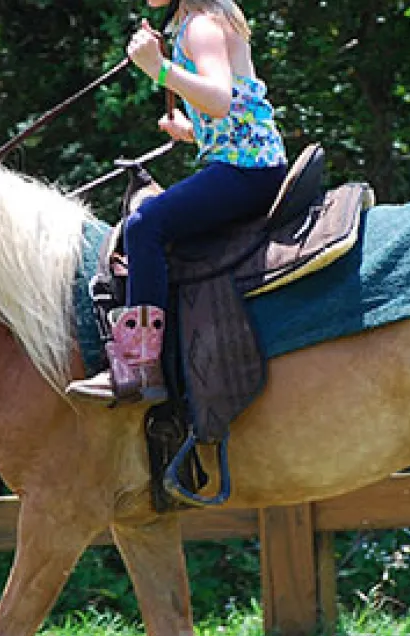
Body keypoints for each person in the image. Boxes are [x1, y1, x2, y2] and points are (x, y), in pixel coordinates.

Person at [67, 0, 290, 406]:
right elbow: (237, 109)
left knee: (144, 225)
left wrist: (160, 70)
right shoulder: (209, 20)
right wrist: (191, 131)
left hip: (246, 170)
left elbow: (220, 99)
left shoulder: (201, 27)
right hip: (256, 165)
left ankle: (140, 365)